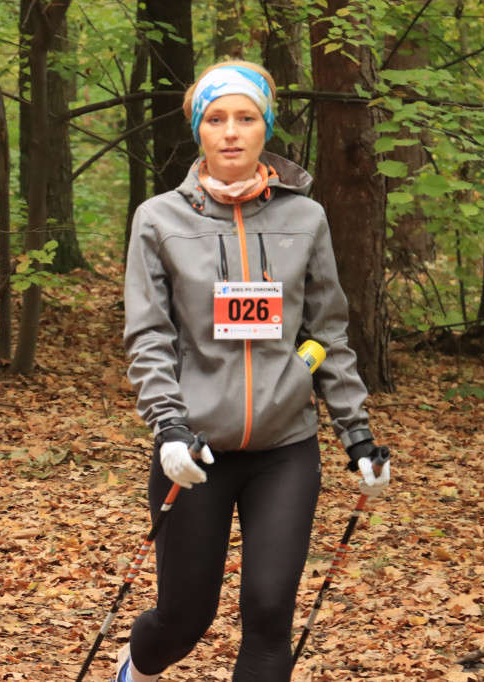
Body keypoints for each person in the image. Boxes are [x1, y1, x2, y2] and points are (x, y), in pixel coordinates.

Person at [117, 61, 392, 681]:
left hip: (285, 449)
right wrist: (167, 429)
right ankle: (134, 666)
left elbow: (326, 333)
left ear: (266, 127)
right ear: (199, 130)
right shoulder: (159, 219)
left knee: (269, 615)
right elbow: (149, 335)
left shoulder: (307, 218)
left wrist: (357, 434)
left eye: (246, 118)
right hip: (195, 450)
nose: (232, 132)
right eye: (216, 119)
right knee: (186, 617)